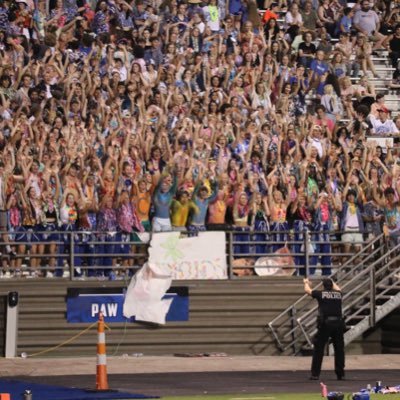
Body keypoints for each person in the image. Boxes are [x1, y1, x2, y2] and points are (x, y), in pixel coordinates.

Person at [304, 277, 345, 381]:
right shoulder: (338, 294)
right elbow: (338, 289)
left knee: (319, 349)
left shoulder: (321, 294)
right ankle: (340, 374)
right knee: (339, 349)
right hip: (338, 323)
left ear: (323, 286)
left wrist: (306, 283)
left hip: (325, 324)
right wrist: (332, 281)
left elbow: (308, 291)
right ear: (332, 286)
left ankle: (315, 374)